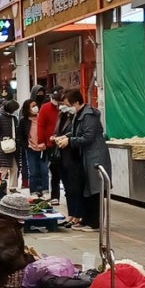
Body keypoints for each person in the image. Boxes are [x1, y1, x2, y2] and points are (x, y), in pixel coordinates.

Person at [55, 89, 111, 232]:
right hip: (84, 157)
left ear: (76, 103)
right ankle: (86, 220)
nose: (66, 107)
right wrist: (64, 137)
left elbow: (88, 137)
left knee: (94, 190)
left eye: (68, 104)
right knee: (85, 189)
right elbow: (75, 132)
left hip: (94, 157)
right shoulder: (77, 114)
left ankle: (95, 223)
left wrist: (70, 141)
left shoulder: (89, 115)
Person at [51, 101, 84, 228]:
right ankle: (71, 214)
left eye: (65, 103)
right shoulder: (61, 116)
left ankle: (77, 215)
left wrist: (66, 138)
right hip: (61, 157)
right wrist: (55, 137)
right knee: (68, 188)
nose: (63, 106)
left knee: (75, 188)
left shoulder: (77, 117)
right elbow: (57, 131)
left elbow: (76, 133)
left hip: (73, 157)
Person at [37, 86, 64, 205]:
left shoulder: (66, 109)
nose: (57, 101)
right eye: (55, 98)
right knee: (55, 171)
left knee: (68, 171)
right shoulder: (45, 108)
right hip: (51, 144)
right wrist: (41, 141)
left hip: (67, 142)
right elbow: (40, 125)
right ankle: (55, 195)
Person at [19, 99, 47, 198]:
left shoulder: (42, 117)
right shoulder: (24, 120)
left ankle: (45, 190)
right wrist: (26, 146)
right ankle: (34, 191)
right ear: (28, 109)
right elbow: (20, 136)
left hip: (43, 148)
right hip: (31, 148)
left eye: (36, 105)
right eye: (32, 106)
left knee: (44, 170)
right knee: (33, 171)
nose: (35, 107)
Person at [0, 100, 20, 193]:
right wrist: (2, 140)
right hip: (4, 146)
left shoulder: (14, 118)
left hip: (14, 145)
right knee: (3, 168)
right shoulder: (0, 117)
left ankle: (13, 187)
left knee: (15, 167)